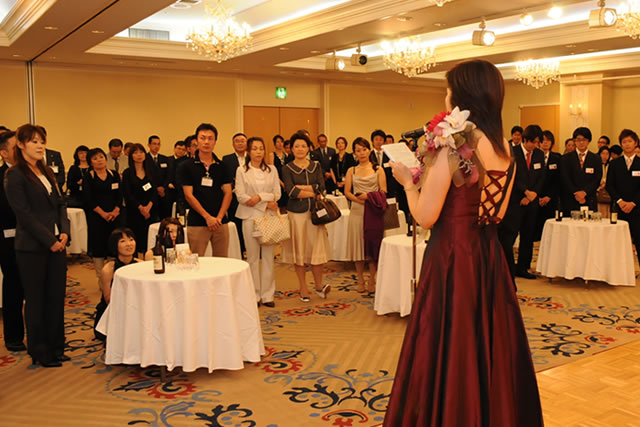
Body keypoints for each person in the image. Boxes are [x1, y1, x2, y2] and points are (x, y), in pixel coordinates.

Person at [384, 60, 542, 426]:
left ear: (463, 96)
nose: (446, 96)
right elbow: (495, 213)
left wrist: (407, 184)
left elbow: (425, 216)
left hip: (451, 256)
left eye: (449, 89)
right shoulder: (505, 149)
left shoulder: (456, 145)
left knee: (449, 343)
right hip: (488, 256)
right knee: (487, 342)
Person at [4, 124, 71, 367]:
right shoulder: (15, 174)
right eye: (34, 141)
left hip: (57, 243)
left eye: (42, 141)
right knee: (36, 299)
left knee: (56, 296)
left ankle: (56, 346)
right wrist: (49, 240)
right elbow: (24, 214)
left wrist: (64, 232)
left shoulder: (46, 170)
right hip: (32, 247)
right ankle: (40, 351)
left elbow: (61, 204)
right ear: (21, 145)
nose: (40, 146)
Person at [282, 132, 331, 302]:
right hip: (297, 215)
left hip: (315, 214)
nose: (300, 149)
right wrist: (311, 190)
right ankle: (303, 287)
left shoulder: (316, 166)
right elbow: (291, 191)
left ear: (309, 148)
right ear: (291, 149)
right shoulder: (287, 168)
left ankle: (318, 285)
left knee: (317, 251)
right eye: (296, 146)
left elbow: (321, 188)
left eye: (303, 146)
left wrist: (303, 188)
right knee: (300, 251)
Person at [235, 137, 281, 307]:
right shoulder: (241, 170)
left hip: (268, 217)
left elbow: (277, 194)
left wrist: (260, 197)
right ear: (248, 151)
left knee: (268, 257)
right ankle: (254, 295)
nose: (258, 152)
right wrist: (265, 202)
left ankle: (268, 295)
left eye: (261, 148)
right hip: (249, 217)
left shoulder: (272, 170)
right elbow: (241, 196)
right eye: (254, 149)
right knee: (253, 257)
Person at [181, 123, 232, 257]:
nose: (206, 142)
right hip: (198, 222)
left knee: (222, 262)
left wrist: (219, 217)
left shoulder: (222, 165)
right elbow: (188, 195)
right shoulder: (186, 166)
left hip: (220, 222)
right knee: (196, 262)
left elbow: (228, 193)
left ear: (215, 141)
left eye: (210, 138)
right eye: (203, 138)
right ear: (197, 140)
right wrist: (207, 217)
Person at [344, 137, 386, 293]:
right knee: (358, 247)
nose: (361, 153)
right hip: (356, 211)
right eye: (358, 150)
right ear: (354, 153)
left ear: (369, 150)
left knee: (372, 245)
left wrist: (368, 198)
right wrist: (359, 200)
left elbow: (383, 191)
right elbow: (347, 192)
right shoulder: (351, 170)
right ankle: (360, 279)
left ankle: (372, 279)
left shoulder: (378, 169)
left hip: (373, 211)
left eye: (364, 149)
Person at [0, 130, 26, 352]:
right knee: (14, 289)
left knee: (36, 291)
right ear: (4, 153)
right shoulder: (2, 176)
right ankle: (14, 337)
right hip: (9, 241)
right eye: (15, 147)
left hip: (35, 241)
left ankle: (40, 336)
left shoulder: (30, 173)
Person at [83, 147, 123, 290]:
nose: (99, 160)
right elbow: (88, 199)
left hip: (114, 217)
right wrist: (103, 213)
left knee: (113, 246)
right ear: (90, 162)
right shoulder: (89, 177)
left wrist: (116, 210)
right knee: (99, 247)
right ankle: (102, 279)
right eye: (95, 158)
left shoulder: (114, 175)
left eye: (101, 157)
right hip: (97, 218)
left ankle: (113, 278)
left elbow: (119, 195)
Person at [93, 227, 141, 341]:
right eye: (122, 241)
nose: (129, 244)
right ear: (115, 245)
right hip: (114, 310)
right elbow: (108, 299)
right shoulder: (109, 269)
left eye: (131, 240)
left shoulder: (141, 264)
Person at [516, 125, 546, 279]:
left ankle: (523, 267)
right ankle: (508, 267)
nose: (535, 145)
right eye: (533, 142)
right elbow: (513, 176)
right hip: (517, 200)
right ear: (525, 140)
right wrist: (525, 192)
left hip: (532, 200)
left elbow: (541, 176)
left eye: (538, 142)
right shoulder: (513, 152)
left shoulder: (539, 154)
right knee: (511, 236)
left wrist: (532, 194)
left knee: (528, 235)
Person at [607, 129, 640, 266]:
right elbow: (610, 185)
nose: (627, 144)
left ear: (636, 143)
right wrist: (620, 201)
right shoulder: (615, 163)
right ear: (621, 144)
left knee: (638, 240)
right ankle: (618, 270)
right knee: (618, 241)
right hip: (618, 208)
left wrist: (633, 203)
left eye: (630, 141)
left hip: (637, 208)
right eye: (624, 141)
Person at [121, 143, 157, 256]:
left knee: (149, 238)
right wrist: (141, 208)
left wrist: (148, 207)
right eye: (135, 153)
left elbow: (155, 191)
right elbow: (127, 194)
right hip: (134, 211)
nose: (139, 155)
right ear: (131, 156)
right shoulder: (127, 173)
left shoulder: (151, 171)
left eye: (141, 152)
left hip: (150, 211)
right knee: (135, 238)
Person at [561, 127, 601, 215]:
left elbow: (597, 179)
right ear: (574, 141)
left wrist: (584, 192)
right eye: (578, 140)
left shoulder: (596, 158)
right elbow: (565, 178)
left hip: (589, 199)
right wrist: (576, 193)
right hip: (571, 199)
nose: (581, 142)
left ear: (589, 141)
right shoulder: (566, 158)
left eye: (584, 140)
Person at [222, 132, 248, 254]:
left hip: (251, 197)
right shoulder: (227, 159)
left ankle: (255, 250)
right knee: (237, 224)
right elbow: (225, 177)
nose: (240, 143)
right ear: (233, 144)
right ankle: (240, 249)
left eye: (242, 141)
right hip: (234, 197)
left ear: (247, 143)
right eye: (237, 141)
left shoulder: (252, 157)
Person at [535, 130, 562, 240]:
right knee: (536, 229)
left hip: (551, 199)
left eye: (548, 140)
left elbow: (559, 180)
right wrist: (537, 196)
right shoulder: (534, 157)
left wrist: (549, 196)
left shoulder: (557, 158)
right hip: (536, 198)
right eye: (543, 140)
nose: (545, 143)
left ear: (552, 143)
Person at [146, 135, 171, 219]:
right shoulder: (145, 158)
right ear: (149, 145)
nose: (156, 146)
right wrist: (156, 188)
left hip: (163, 192)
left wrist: (163, 187)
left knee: (164, 216)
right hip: (150, 192)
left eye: (158, 144)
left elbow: (168, 175)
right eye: (154, 144)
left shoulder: (164, 159)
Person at [369, 129, 396, 197]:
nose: (378, 142)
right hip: (372, 189)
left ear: (384, 141)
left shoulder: (390, 155)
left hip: (389, 189)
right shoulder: (369, 156)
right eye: (376, 139)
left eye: (381, 139)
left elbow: (393, 173)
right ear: (372, 141)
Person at [270, 134, 289, 211]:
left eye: (281, 142)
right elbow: (272, 170)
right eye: (278, 142)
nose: (280, 143)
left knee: (286, 204)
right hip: (277, 180)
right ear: (274, 144)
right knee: (279, 203)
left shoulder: (286, 154)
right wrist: (281, 183)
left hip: (286, 180)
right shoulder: (272, 154)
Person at [597, 145, 612, 217]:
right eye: (603, 153)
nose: (605, 156)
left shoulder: (611, 165)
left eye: (607, 154)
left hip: (609, 190)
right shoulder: (597, 164)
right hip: (598, 190)